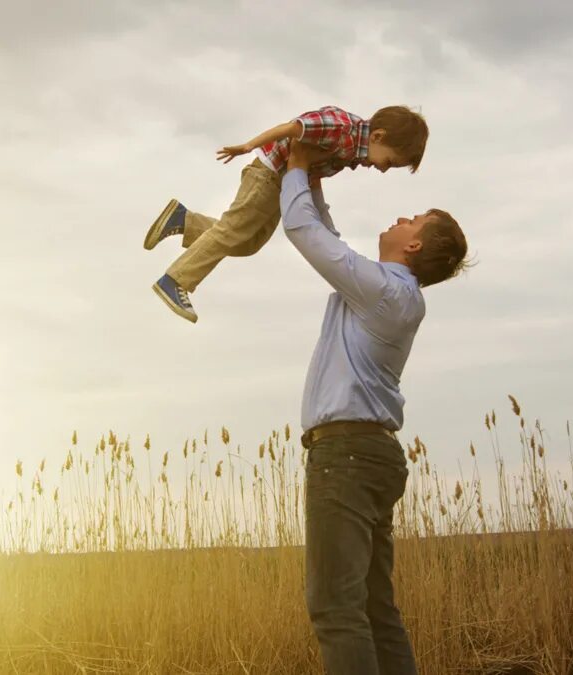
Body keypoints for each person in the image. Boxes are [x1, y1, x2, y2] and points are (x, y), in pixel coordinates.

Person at [280, 139, 469, 674]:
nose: (403, 216)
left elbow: (306, 235)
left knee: (336, 608)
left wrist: (295, 168)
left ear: (414, 247)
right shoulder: (388, 291)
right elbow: (332, 241)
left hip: (347, 455)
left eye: (415, 219)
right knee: (373, 608)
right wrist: (314, 184)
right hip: (369, 455)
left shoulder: (386, 291)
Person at [144, 105, 429, 323]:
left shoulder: (353, 152)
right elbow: (293, 128)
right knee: (232, 231)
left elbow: (313, 176)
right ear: (378, 136)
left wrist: (323, 222)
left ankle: (183, 220)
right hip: (267, 175)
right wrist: (249, 145)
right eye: (389, 162)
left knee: (248, 242)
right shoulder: (342, 127)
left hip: (281, 183)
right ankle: (175, 280)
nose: (382, 169)